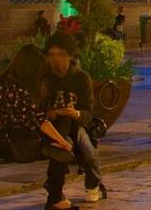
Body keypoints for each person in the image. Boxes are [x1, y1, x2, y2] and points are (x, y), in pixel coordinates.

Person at [0, 45, 84, 204]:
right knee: (59, 148)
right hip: (5, 142)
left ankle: (56, 193)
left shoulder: (10, 82)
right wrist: (62, 141)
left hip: (17, 136)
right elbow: (36, 119)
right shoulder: (14, 88)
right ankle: (55, 196)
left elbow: (34, 117)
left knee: (62, 133)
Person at [40, 33, 103, 207]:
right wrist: (49, 112)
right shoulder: (45, 80)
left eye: (60, 55)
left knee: (87, 150)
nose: (56, 60)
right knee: (60, 149)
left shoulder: (81, 78)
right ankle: (55, 192)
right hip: (54, 128)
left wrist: (75, 113)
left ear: (69, 55)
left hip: (76, 125)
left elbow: (89, 113)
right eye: (52, 55)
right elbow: (38, 108)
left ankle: (93, 184)